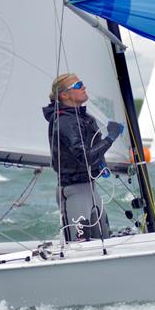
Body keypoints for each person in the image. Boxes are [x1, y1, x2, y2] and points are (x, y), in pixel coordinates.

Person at [42, 73, 124, 242]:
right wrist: (111, 137)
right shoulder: (64, 121)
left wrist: (102, 163)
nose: (84, 87)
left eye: (82, 83)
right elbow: (85, 157)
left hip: (90, 189)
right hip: (74, 192)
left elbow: (94, 149)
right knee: (81, 246)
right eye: (78, 86)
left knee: (104, 239)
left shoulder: (85, 118)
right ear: (65, 95)